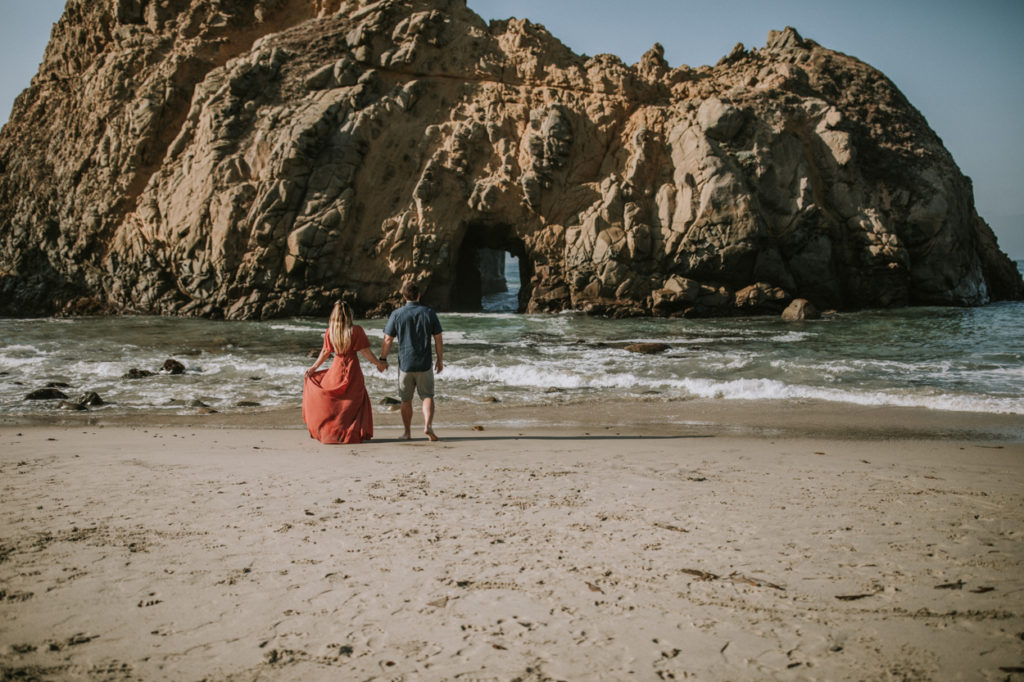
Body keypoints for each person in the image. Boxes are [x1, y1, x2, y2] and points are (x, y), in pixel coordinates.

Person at [303, 300, 386, 444]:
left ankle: (333, 432)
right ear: (349, 315)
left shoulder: (331, 331)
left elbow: (325, 352)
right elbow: (365, 351)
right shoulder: (356, 330)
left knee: (336, 402)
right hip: (353, 368)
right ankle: (350, 432)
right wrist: (378, 363)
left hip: (337, 367)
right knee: (354, 401)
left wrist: (313, 368)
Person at [380, 281, 444, 441]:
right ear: (419, 295)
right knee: (427, 396)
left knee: (405, 400)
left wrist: (383, 359)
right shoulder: (429, 312)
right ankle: (428, 426)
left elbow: (388, 339)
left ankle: (407, 433)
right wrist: (440, 359)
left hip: (405, 365)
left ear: (403, 296)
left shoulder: (397, 314)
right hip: (424, 363)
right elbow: (438, 338)